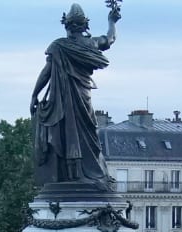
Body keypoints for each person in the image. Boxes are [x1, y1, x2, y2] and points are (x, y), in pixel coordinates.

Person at [31, 2, 120, 193]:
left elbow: (46, 72)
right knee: (88, 133)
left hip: (62, 100)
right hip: (83, 96)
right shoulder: (90, 43)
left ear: (66, 25)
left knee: (67, 134)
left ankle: (72, 174)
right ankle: (89, 173)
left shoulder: (58, 46)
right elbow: (110, 39)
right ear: (85, 25)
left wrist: (34, 94)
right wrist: (112, 21)